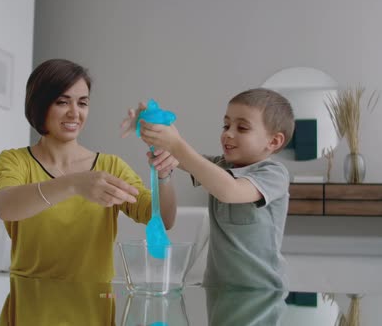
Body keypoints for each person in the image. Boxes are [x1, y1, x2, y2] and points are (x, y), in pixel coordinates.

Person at [0, 59, 178, 282]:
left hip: (93, 306)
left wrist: (163, 173)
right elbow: (6, 207)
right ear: (39, 105)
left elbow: (163, 219)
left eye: (82, 103)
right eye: (62, 102)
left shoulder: (110, 167)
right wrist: (74, 184)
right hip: (29, 301)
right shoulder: (14, 161)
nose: (74, 113)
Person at [123, 88, 294, 289]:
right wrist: (154, 128)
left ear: (273, 141)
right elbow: (183, 158)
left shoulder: (273, 173)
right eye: (226, 125)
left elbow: (229, 190)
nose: (228, 133)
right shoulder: (220, 166)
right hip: (217, 288)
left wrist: (176, 145)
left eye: (242, 128)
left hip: (260, 291)